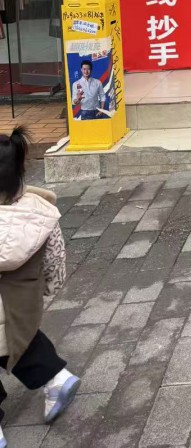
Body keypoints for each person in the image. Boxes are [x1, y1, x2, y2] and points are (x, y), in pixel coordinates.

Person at [0, 129, 80, 447]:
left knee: (11, 345)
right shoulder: (39, 212)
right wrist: (49, 288)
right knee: (23, 340)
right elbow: (55, 258)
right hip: (22, 301)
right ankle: (57, 378)